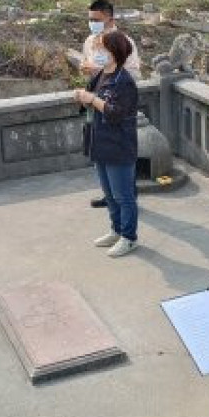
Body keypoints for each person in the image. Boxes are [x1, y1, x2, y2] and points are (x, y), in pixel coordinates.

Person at [74, 30, 139, 258]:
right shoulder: (101, 74)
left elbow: (115, 113)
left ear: (115, 52)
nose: (97, 52)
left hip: (119, 146)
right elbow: (91, 101)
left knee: (124, 196)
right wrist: (83, 97)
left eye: (101, 48)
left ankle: (129, 237)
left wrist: (92, 99)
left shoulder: (124, 81)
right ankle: (116, 229)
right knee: (109, 195)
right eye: (96, 48)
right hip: (99, 143)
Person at [81, 0, 141, 209]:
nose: (92, 23)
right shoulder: (90, 41)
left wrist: (100, 71)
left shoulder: (124, 42)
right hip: (97, 101)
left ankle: (127, 201)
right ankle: (110, 196)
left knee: (120, 157)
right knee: (103, 154)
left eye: (96, 19)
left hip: (115, 102)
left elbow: (132, 74)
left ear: (110, 18)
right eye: (90, 19)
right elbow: (89, 67)